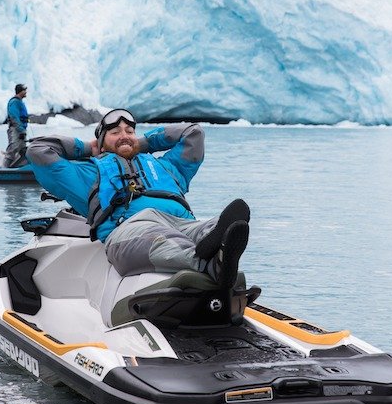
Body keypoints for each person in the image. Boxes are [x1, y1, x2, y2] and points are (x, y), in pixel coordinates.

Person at [26, 109, 250, 287]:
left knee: (210, 227)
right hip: (131, 228)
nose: (124, 135)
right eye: (115, 133)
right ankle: (211, 263)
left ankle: (217, 246)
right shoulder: (86, 173)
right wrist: (86, 148)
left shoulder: (167, 167)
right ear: (101, 142)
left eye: (129, 132)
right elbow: (38, 150)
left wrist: (144, 143)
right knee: (159, 238)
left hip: (183, 224)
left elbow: (193, 134)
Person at [5, 84, 29, 167]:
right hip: (16, 130)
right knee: (13, 148)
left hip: (21, 130)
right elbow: (14, 117)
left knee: (22, 150)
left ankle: (19, 167)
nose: (26, 92)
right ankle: (3, 170)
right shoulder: (14, 102)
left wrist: (23, 130)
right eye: (24, 90)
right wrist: (21, 130)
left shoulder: (19, 102)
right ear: (20, 91)